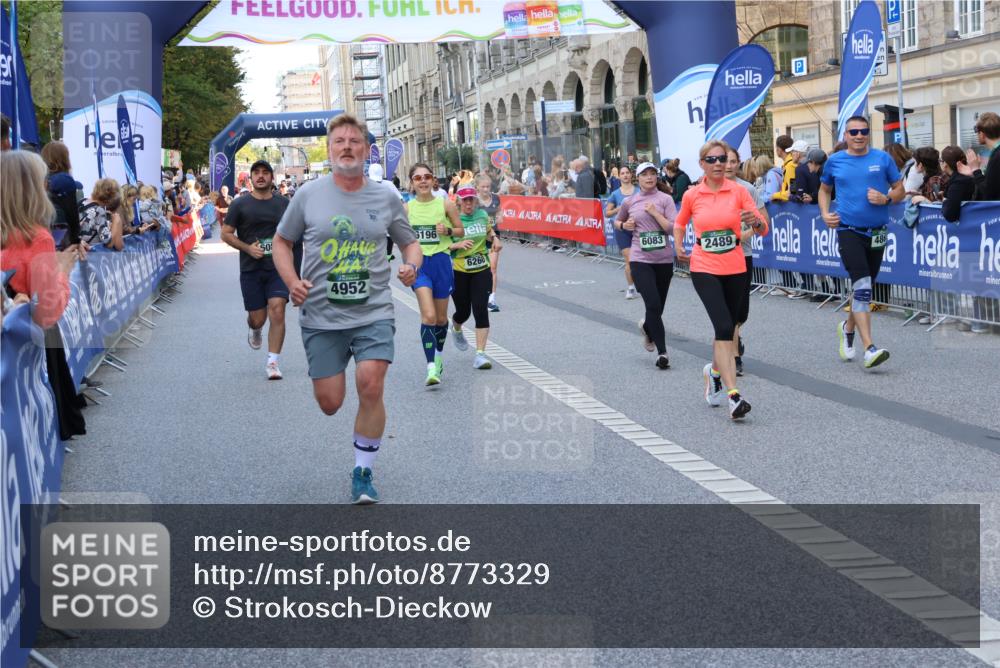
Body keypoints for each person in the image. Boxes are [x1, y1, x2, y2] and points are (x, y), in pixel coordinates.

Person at [272, 113, 422, 505]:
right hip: (321, 315)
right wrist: (292, 282)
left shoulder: (386, 196)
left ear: (366, 149)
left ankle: (363, 472)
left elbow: (410, 243)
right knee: (330, 402)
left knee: (371, 383)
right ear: (330, 148)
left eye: (354, 141)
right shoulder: (307, 195)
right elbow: (282, 243)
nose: (347, 147)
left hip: (373, 311)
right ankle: (349, 430)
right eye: (339, 141)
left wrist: (411, 265)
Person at [674, 141, 769, 419]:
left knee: (730, 326)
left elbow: (762, 229)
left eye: (722, 159)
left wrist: (755, 221)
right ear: (702, 164)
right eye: (712, 159)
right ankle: (734, 395)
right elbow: (680, 223)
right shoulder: (693, 195)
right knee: (724, 325)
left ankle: (714, 372)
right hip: (704, 266)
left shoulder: (739, 191)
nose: (718, 164)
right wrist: (679, 245)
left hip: (735, 265)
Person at [1, 150, 88, 440]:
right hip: (35, 341)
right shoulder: (37, 237)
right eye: (42, 182)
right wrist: (62, 269)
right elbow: (49, 310)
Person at [819, 116, 904, 370]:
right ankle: (869, 348)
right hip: (848, 230)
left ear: (869, 133)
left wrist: (887, 199)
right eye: (853, 131)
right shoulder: (835, 161)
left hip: (877, 232)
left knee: (863, 289)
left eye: (863, 131)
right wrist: (825, 213)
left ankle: (847, 328)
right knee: (863, 286)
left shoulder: (882, 159)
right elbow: (824, 190)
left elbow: (900, 189)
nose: (858, 135)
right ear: (845, 135)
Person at [220, 159, 291, 380]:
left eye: (265, 172)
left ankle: (272, 363)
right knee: (258, 318)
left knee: (277, 309)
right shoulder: (240, 204)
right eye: (256, 172)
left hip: (278, 268)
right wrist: (247, 248)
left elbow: (294, 235)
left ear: (272, 177)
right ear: (251, 178)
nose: (260, 176)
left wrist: (295, 273)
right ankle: (255, 327)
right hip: (251, 269)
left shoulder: (283, 204)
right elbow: (226, 233)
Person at [616, 162, 677, 370]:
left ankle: (648, 328)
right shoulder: (629, 201)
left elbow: (672, 229)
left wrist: (655, 214)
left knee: (657, 307)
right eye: (645, 174)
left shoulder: (665, 199)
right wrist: (625, 225)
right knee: (652, 304)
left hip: (664, 260)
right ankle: (663, 353)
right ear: (637, 178)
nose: (649, 178)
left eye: (652, 174)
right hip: (640, 259)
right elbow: (618, 222)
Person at [407, 162, 464, 385]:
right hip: (420, 266)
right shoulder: (407, 209)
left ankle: (438, 356)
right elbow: (399, 237)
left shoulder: (445, 204)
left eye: (427, 177)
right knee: (429, 316)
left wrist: (448, 230)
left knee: (441, 319)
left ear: (433, 181)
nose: (423, 181)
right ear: (412, 183)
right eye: (418, 178)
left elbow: (460, 230)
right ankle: (431, 367)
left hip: (441, 262)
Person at [725, 146, 770, 376]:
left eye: (733, 161)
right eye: (725, 161)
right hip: (720, 257)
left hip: (744, 254)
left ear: (738, 164)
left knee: (742, 313)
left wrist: (749, 232)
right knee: (729, 311)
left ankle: (734, 335)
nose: (729, 166)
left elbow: (764, 221)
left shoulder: (748, 189)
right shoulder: (709, 189)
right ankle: (734, 356)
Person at [449, 184, 500, 368]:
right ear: (459, 201)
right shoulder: (452, 219)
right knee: (463, 311)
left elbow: (489, 231)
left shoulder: (482, 215)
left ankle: (480, 355)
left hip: (481, 268)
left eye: (471, 199)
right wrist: (457, 245)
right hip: (459, 271)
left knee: (480, 310)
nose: (469, 203)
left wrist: (494, 238)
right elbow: (441, 245)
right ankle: (455, 327)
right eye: (465, 200)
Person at [41, 141, 83, 247]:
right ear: (64, 158)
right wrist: (75, 240)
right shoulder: (64, 179)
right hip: (60, 238)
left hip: (43, 236)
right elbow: (71, 213)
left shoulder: (42, 179)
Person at [605, 164, 638, 299]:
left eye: (627, 173)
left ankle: (643, 284)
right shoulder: (615, 194)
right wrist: (619, 209)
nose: (625, 175)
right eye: (622, 173)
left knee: (641, 260)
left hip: (638, 228)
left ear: (631, 175)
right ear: (619, 176)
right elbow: (607, 213)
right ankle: (631, 288)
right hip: (622, 229)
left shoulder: (639, 191)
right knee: (629, 259)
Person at [474, 174, 504, 312]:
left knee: (493, 267)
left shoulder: (496, 198)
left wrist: (499, 217)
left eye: (488, 186)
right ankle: (479, 296)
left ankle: (491, 299)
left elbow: (499, 211)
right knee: (480, 269)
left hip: (494, 237)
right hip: (479, 237)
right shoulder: (474, 201)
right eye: (483, 187)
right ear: (477, 188)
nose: (486, 189)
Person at [961, 111, 1000, 201]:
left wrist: (975, 169)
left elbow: (988, 192)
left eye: (976, 132)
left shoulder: (997, 155)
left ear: (982, 134)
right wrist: (975, 173)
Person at [79, 178, 125, 251]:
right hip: (90, 255)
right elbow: (109, 243)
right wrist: (116, 222)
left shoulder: (82, 202)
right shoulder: (99, 210)